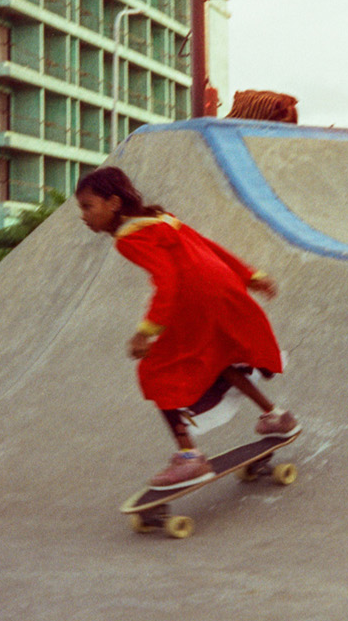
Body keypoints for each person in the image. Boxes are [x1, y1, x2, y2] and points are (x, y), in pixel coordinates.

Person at [75, 165, 299, 489]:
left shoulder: (129, 238)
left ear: (113, 203)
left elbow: (168, 280)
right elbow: (207, 246)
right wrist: (249, 275)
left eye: (87, 206)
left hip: (195, 299)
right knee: (219, 356)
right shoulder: (160, 219)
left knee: (155, 372)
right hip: (220, 291)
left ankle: (189, 458)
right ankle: (277, 416)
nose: (83, 216)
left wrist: (147, 332)